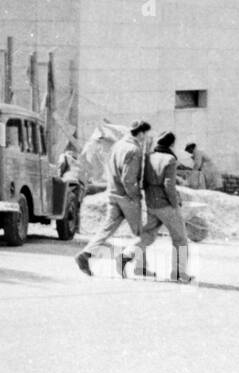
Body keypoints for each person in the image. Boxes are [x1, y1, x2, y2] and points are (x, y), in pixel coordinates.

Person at [74, 120, 150, 276]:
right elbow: (128, 179)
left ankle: (86, 254)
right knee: (141, 235)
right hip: (127, 197)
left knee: (106, 230)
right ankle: (139, 266)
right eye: (145, 134)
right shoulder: (134, 149)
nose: (145, 137)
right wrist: (136, 195)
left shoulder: (117, 146)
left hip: (113, 193)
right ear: (141, 133)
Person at [121, 130, 194, 282]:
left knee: (147, 236)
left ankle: (125, 255)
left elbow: (142, 180)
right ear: (172, 144)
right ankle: (179, 273)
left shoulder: (148, 157)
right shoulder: (170, 160)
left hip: (151, 203)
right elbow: (169, 185)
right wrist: (175, 204)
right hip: (166, 204)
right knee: (180, 239)